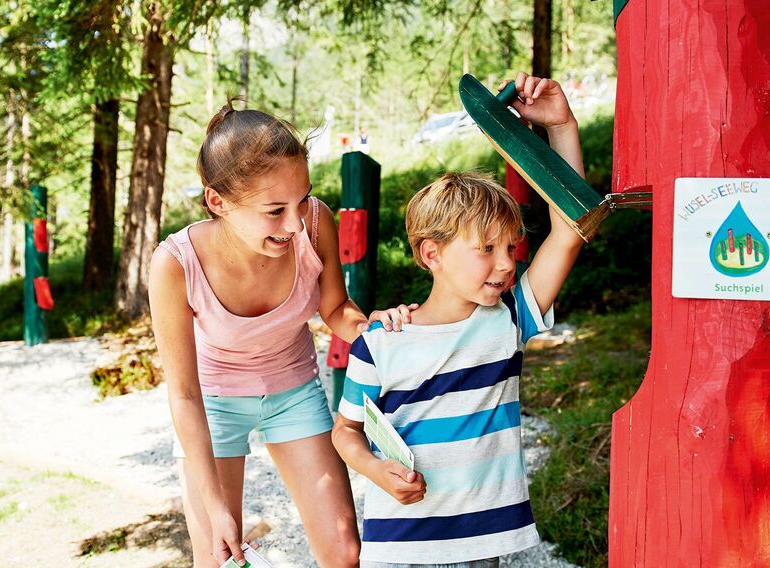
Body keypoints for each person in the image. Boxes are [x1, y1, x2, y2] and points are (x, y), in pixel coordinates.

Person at [331, 72, 586, 567]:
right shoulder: (381, 343)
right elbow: (346, 431)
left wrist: (562, 126)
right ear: (433, 255)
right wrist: (375, 471)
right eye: (486, 249)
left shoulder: (508, 321)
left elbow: (570, 231)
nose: (508, 263)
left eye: (509, 248)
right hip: (400, 547)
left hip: (479, 548)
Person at [149, 100, 414, 567]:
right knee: (218, 558)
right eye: (274, 210)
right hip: (212, 402)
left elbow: (335, 309)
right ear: (218, 202)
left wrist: (375, 329)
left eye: (302, 199)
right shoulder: (174, 265)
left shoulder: (315, 222)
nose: (294, 224)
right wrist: (217, 511)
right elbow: (185, 395)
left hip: (293, 391)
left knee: (346, 554)